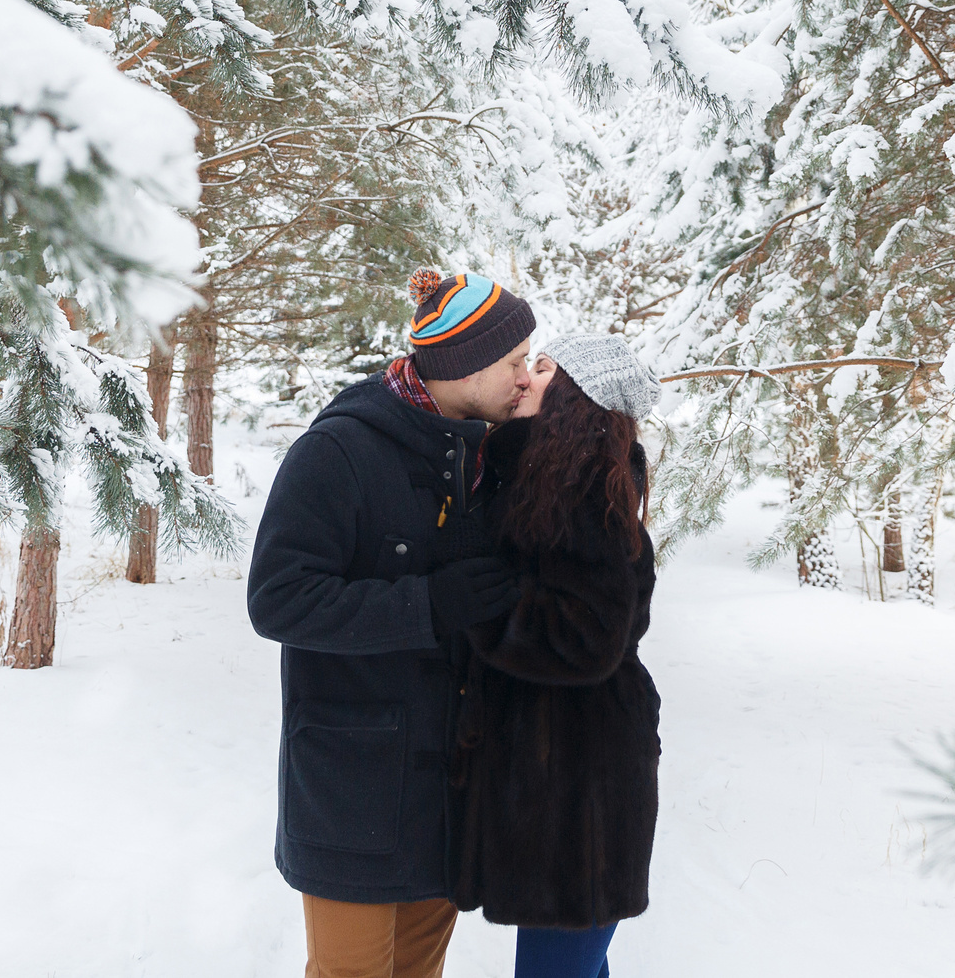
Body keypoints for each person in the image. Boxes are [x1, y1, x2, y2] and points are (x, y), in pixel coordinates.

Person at [247, 270, 538, 978]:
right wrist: (429, 605)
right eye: (513, 363)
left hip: (445, 793)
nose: (525, 379)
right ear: (464, 362)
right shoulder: (339, 451)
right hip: (353, 787)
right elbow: (277, 597)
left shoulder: (480, 453)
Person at [450, 333, 662, 978]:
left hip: (581, 783)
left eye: (540, 370)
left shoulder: (582, 494)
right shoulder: (552, 479)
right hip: (563, 770)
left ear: (576, 396)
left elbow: (586, 637)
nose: (523, 379)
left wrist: (476, 605)